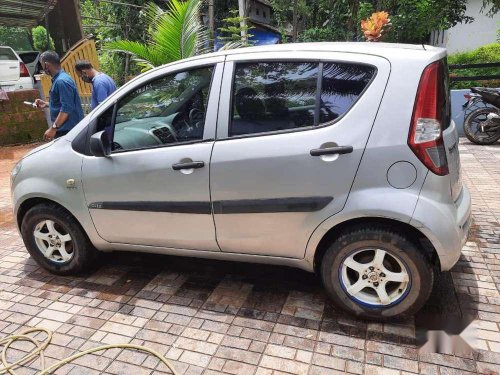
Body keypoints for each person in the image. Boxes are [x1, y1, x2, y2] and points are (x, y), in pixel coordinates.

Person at [35, 51, 84, 141]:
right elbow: (64, 103)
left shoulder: (61, 81)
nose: (42, 68)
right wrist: (46, 104)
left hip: (68, 130)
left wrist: (53, 128)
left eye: (42, 65)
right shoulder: (60, 79)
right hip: (66, 128)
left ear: (46, 65)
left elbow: (67, 108)